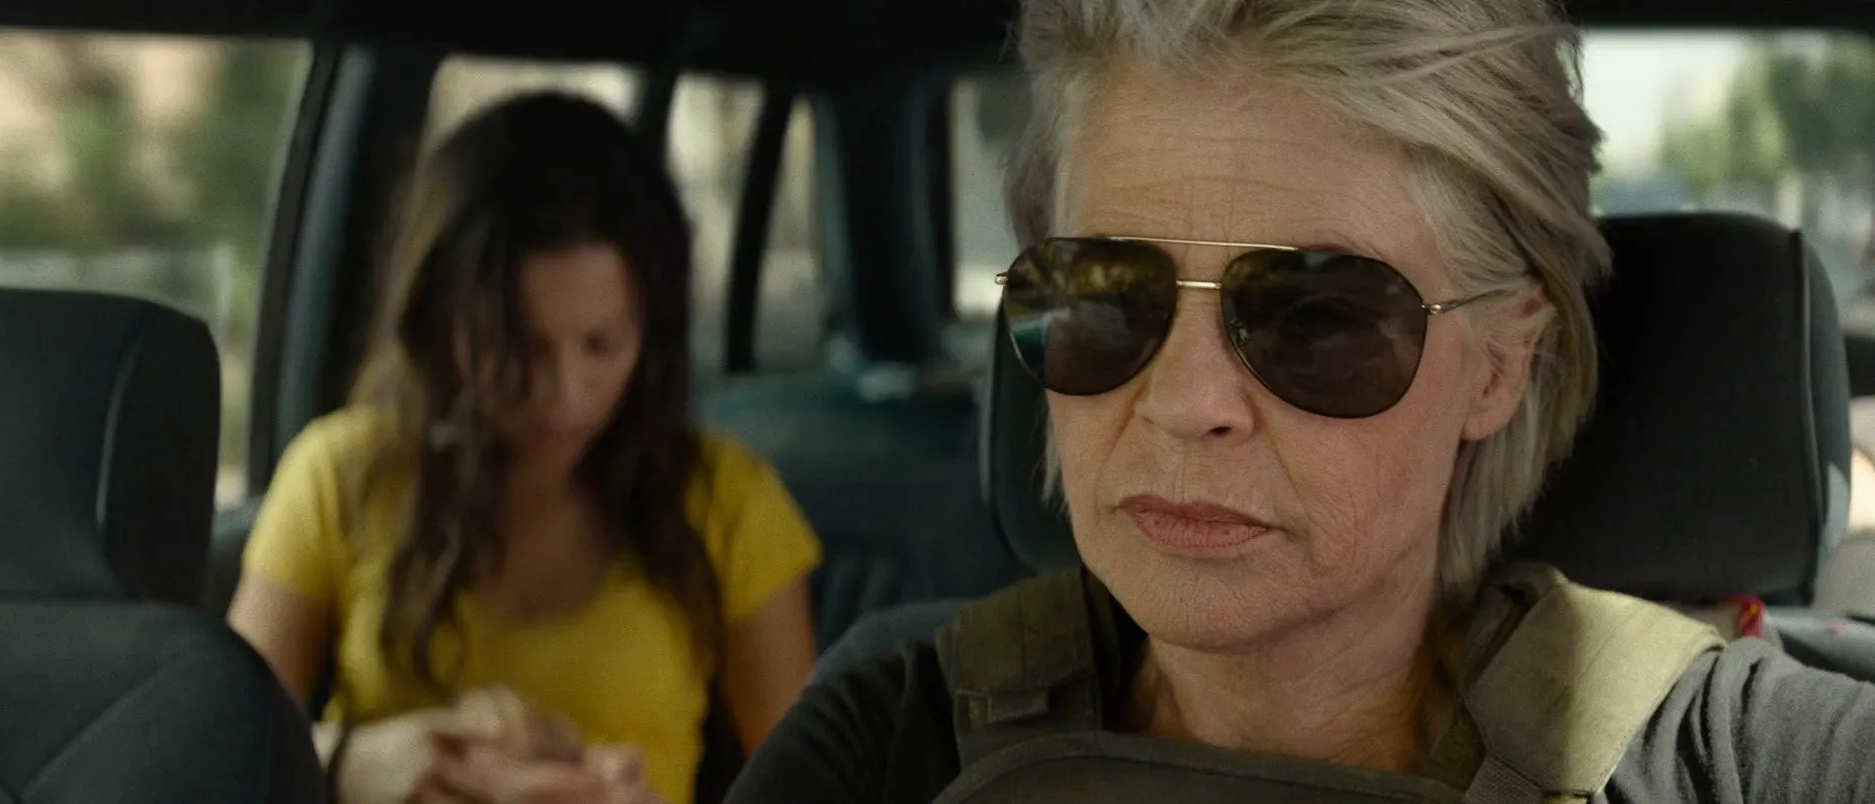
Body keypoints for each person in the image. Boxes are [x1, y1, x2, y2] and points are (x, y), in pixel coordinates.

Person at [723, 0, 1875, 802]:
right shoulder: (892, 738)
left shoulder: (1746, 762)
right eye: (1106, 296)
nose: (1187, 403)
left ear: (1499, 364)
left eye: (1318, 317)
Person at [226, 91, 823, 804]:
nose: (562, 394)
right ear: (442, 323)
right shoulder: (343, 475)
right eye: (517, 348)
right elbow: (214, 745)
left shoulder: (725, 500)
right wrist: (345, 759)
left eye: (601, 344)